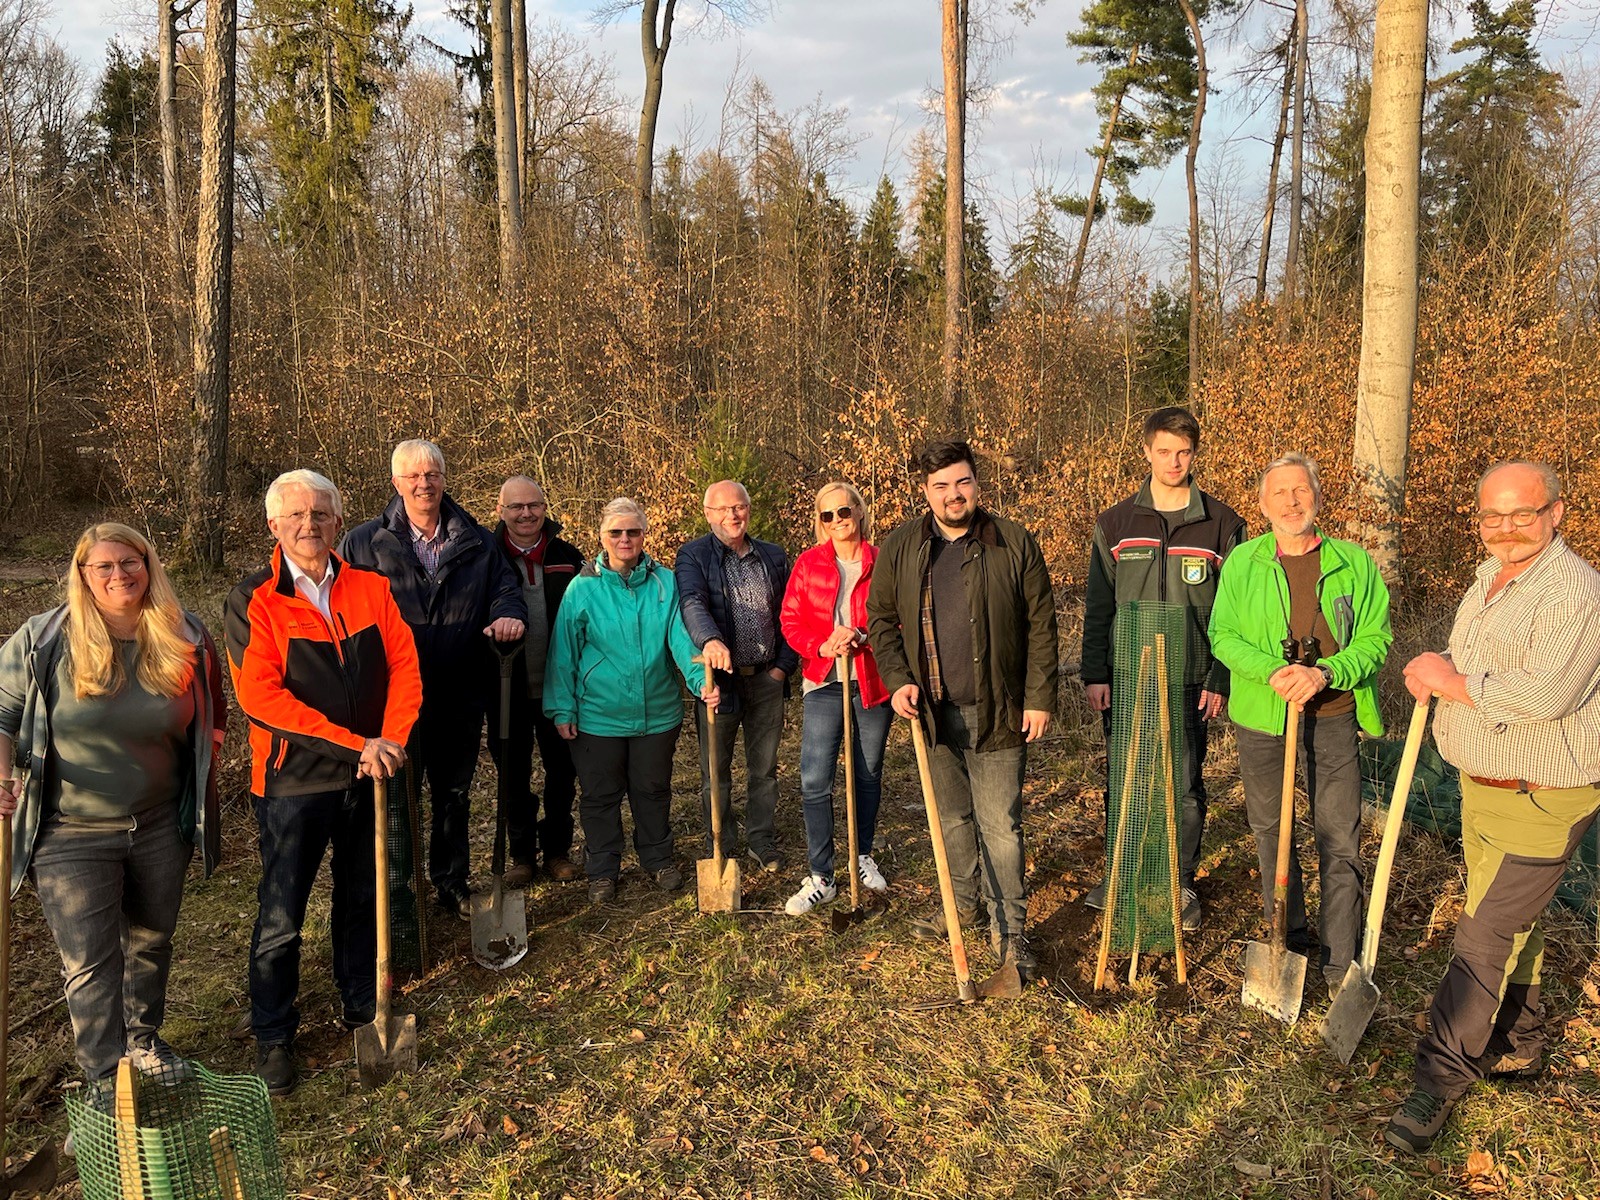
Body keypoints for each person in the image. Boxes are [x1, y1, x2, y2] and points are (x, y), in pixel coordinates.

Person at [1384, 461, 1600, 1153]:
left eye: (1523, 514)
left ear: (1557, 513)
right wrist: (1438, 669)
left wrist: (1454, 680)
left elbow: (1544, 697)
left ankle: (1439, 1081)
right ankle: (1522, 1041)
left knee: (1481, 937)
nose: (1506, 529)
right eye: (1492, 516)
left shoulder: (1576, 593)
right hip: (1484, 785)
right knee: (1508, 926)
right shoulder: (1488, 578)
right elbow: (1478, 660)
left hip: (1541, 795)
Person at [0, 523, 224, 1094]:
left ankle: (144, 1041)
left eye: (131, 561)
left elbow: (212, 717)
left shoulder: (186, 635)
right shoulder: (43, 639)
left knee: (151, 938)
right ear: (83, 575)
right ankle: (102, 1078)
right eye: (104, 566)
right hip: (70, 830)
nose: (120, 574)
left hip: (158, 822)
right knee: (90, 961)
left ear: (149, 566)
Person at [227, 469, 422, 1095]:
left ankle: (362, 1003)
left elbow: (403, 665)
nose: (309, 525)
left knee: (362, 896)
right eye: (297, 516)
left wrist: (387, 741)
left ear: (339, 520)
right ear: (274, 526)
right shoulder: (253, 598)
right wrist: (355, 745)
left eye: (321, 514)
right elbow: (262, 699)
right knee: (283, 914)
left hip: (370, 772)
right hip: (293, 784)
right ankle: (274, 1034)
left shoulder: (369, 586)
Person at [867, 441, 1058, 980]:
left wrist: (1040, 696)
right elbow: (881, 620)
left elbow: (1041, 624)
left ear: (978, 482)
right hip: (931, 711)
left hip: (998, 709)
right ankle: (965, 905)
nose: (954, 495)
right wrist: (899, 680)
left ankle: (1010, 933)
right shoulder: (903, 546)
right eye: (941, 486)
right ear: (924, 491)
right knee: (952, 817)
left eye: (963, 482)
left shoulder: (1012, 542)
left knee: (1001, 824)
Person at [1208, 453, 1392, 997]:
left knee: (1339, 840)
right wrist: (1274, 672)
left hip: (1333, 718)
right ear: (1262, 505)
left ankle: (1339, 963)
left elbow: (1376, 640)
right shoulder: (1243, 562)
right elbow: (1223, 635)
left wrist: (1327, 673)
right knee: (1272, 834)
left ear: (1317, 496)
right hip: (1264, 721)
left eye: (1301, 491)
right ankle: (1286, 942)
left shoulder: (1354, 563)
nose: (1292, 502)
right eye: (1279, 493)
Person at [340, 439, 526, 919]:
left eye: (433, 474)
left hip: (458, 690)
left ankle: (451, 882)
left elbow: (506, 590)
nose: (425, 484)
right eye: (414, 476)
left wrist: (507, 615)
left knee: (453, 795)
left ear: (445, 479)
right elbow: (338, 607)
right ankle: (399, 895)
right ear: (396, 482)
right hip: (389, 699)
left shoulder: (478, 540)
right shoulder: (363, 542)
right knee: (397, 797)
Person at [1081, 405, 1247, 931]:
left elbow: (1234, 610)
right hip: (1128, 676)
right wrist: (1095, 672)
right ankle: (1122, 873)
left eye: (1184, 452)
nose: (1174, 461)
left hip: (1190, 677)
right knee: (1126, 778)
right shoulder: (1115, 523)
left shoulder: (1223, 524)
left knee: (1183, 783)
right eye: (1164, 451)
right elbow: (1099, 606)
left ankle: (1179, 881)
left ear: (1195, 454)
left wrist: (1221, 677)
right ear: (1146, 451)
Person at [545, 499, 717, 905]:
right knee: (600, 795)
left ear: (644, 534)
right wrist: (563, 708)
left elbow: (680, 638)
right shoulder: (583, 587)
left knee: (652, 790)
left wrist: (698, 681)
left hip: (658, 713)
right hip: (597, 716)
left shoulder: (665, 583)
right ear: (601, 537)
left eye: (633, 532)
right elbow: (563, 653)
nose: (625, 539)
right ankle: (603, 869)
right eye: (616, 532)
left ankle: (657, 858)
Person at [778, 482, 893, 915]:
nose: (837, 521)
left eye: (844, 511)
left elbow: (896, 620)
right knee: (814, 776)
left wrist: (861, 635)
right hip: (825, 680)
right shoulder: (809, 564)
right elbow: (790, 622)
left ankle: (861, 855)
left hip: (870, 679)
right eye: (827, 515)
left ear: (859, 512)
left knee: (867, 771)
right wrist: (823, 644)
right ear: (820, 522)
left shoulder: (882, 562)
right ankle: (821, 875)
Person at [676, 480, 798, 873]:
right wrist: (709, 640)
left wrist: (782, 666)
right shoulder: (693, 556)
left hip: (766, 679)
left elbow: (790, 613)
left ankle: (761, 839)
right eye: (724, 509)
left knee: (763, 767)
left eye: (740, 507)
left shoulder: (773, 556)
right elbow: (692, 601)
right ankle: (722, 845)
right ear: (708, 514)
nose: (733, 515)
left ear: (748, 510)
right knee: (716, 771)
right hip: (720, 681)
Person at [490, 476, 585, 885]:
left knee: (562, 773)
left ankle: (558, 850)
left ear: (544, 507)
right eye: (516, 507)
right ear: (501, 511)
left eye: (534, 505)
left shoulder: (568, 556)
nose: (526, 513)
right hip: (505, 687)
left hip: (558, 687)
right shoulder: (485, 557)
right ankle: (522, 855)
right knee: (513, 774)